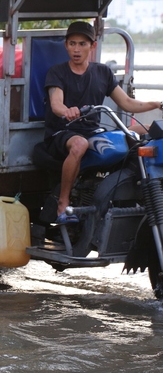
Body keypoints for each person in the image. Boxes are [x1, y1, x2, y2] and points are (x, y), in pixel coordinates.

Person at [43, 21, 162, 224]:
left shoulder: (103, 72)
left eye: (82, 44)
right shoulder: (57, 72)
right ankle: (63, 203)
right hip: (63, 132)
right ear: (66, 45)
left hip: (93, 131)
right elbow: (56, 104)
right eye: (72, 44)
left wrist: (156, 104)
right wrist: (67, 111)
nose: (77, 49)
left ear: (93, 46)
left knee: (144, 130)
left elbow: (127, 103)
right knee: (79, 144)